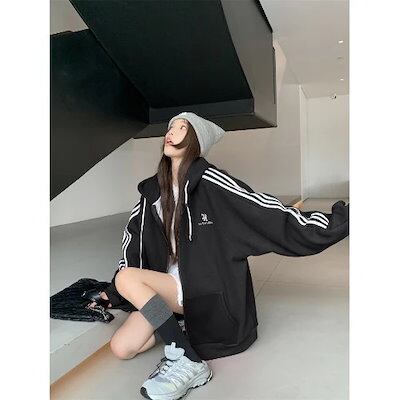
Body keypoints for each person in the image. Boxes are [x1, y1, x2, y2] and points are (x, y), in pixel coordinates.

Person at [89, 111, 350, 400]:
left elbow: (267, 213)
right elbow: (133, 243)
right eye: (171, 127)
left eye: (181, 128)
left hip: (204, 290)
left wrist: (339, 220)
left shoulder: (211, 182)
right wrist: (115, 293)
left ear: (195, 140)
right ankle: (178, 329)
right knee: (122, 347)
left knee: (127, 278)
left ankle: (188, 360)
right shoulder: (152, 192)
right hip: (170, 290)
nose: (171, 132)